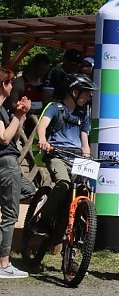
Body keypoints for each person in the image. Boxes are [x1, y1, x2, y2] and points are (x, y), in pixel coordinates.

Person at [33, 74, 96, 233]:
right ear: (75, 93)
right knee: (64, 184)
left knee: (82, 189)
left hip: (76, 158)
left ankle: (68, 231)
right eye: (87, 92)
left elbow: (85, 143)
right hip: (56, 155)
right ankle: (43, 219)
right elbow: (42, 126)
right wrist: (42, 140)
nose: (90, 96)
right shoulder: (55, 107)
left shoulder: (83, 115)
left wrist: (87, 156)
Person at [0, 66, 32, 279]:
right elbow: (3, 138)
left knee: (32, 191)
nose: (13, 87)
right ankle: (4, 263)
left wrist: (20, 115)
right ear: (3, 85)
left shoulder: (3, 109)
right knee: (10, 214)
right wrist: (17, 116)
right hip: (6, 163)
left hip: (8, 164)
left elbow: (13, 133)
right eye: (10, 82)